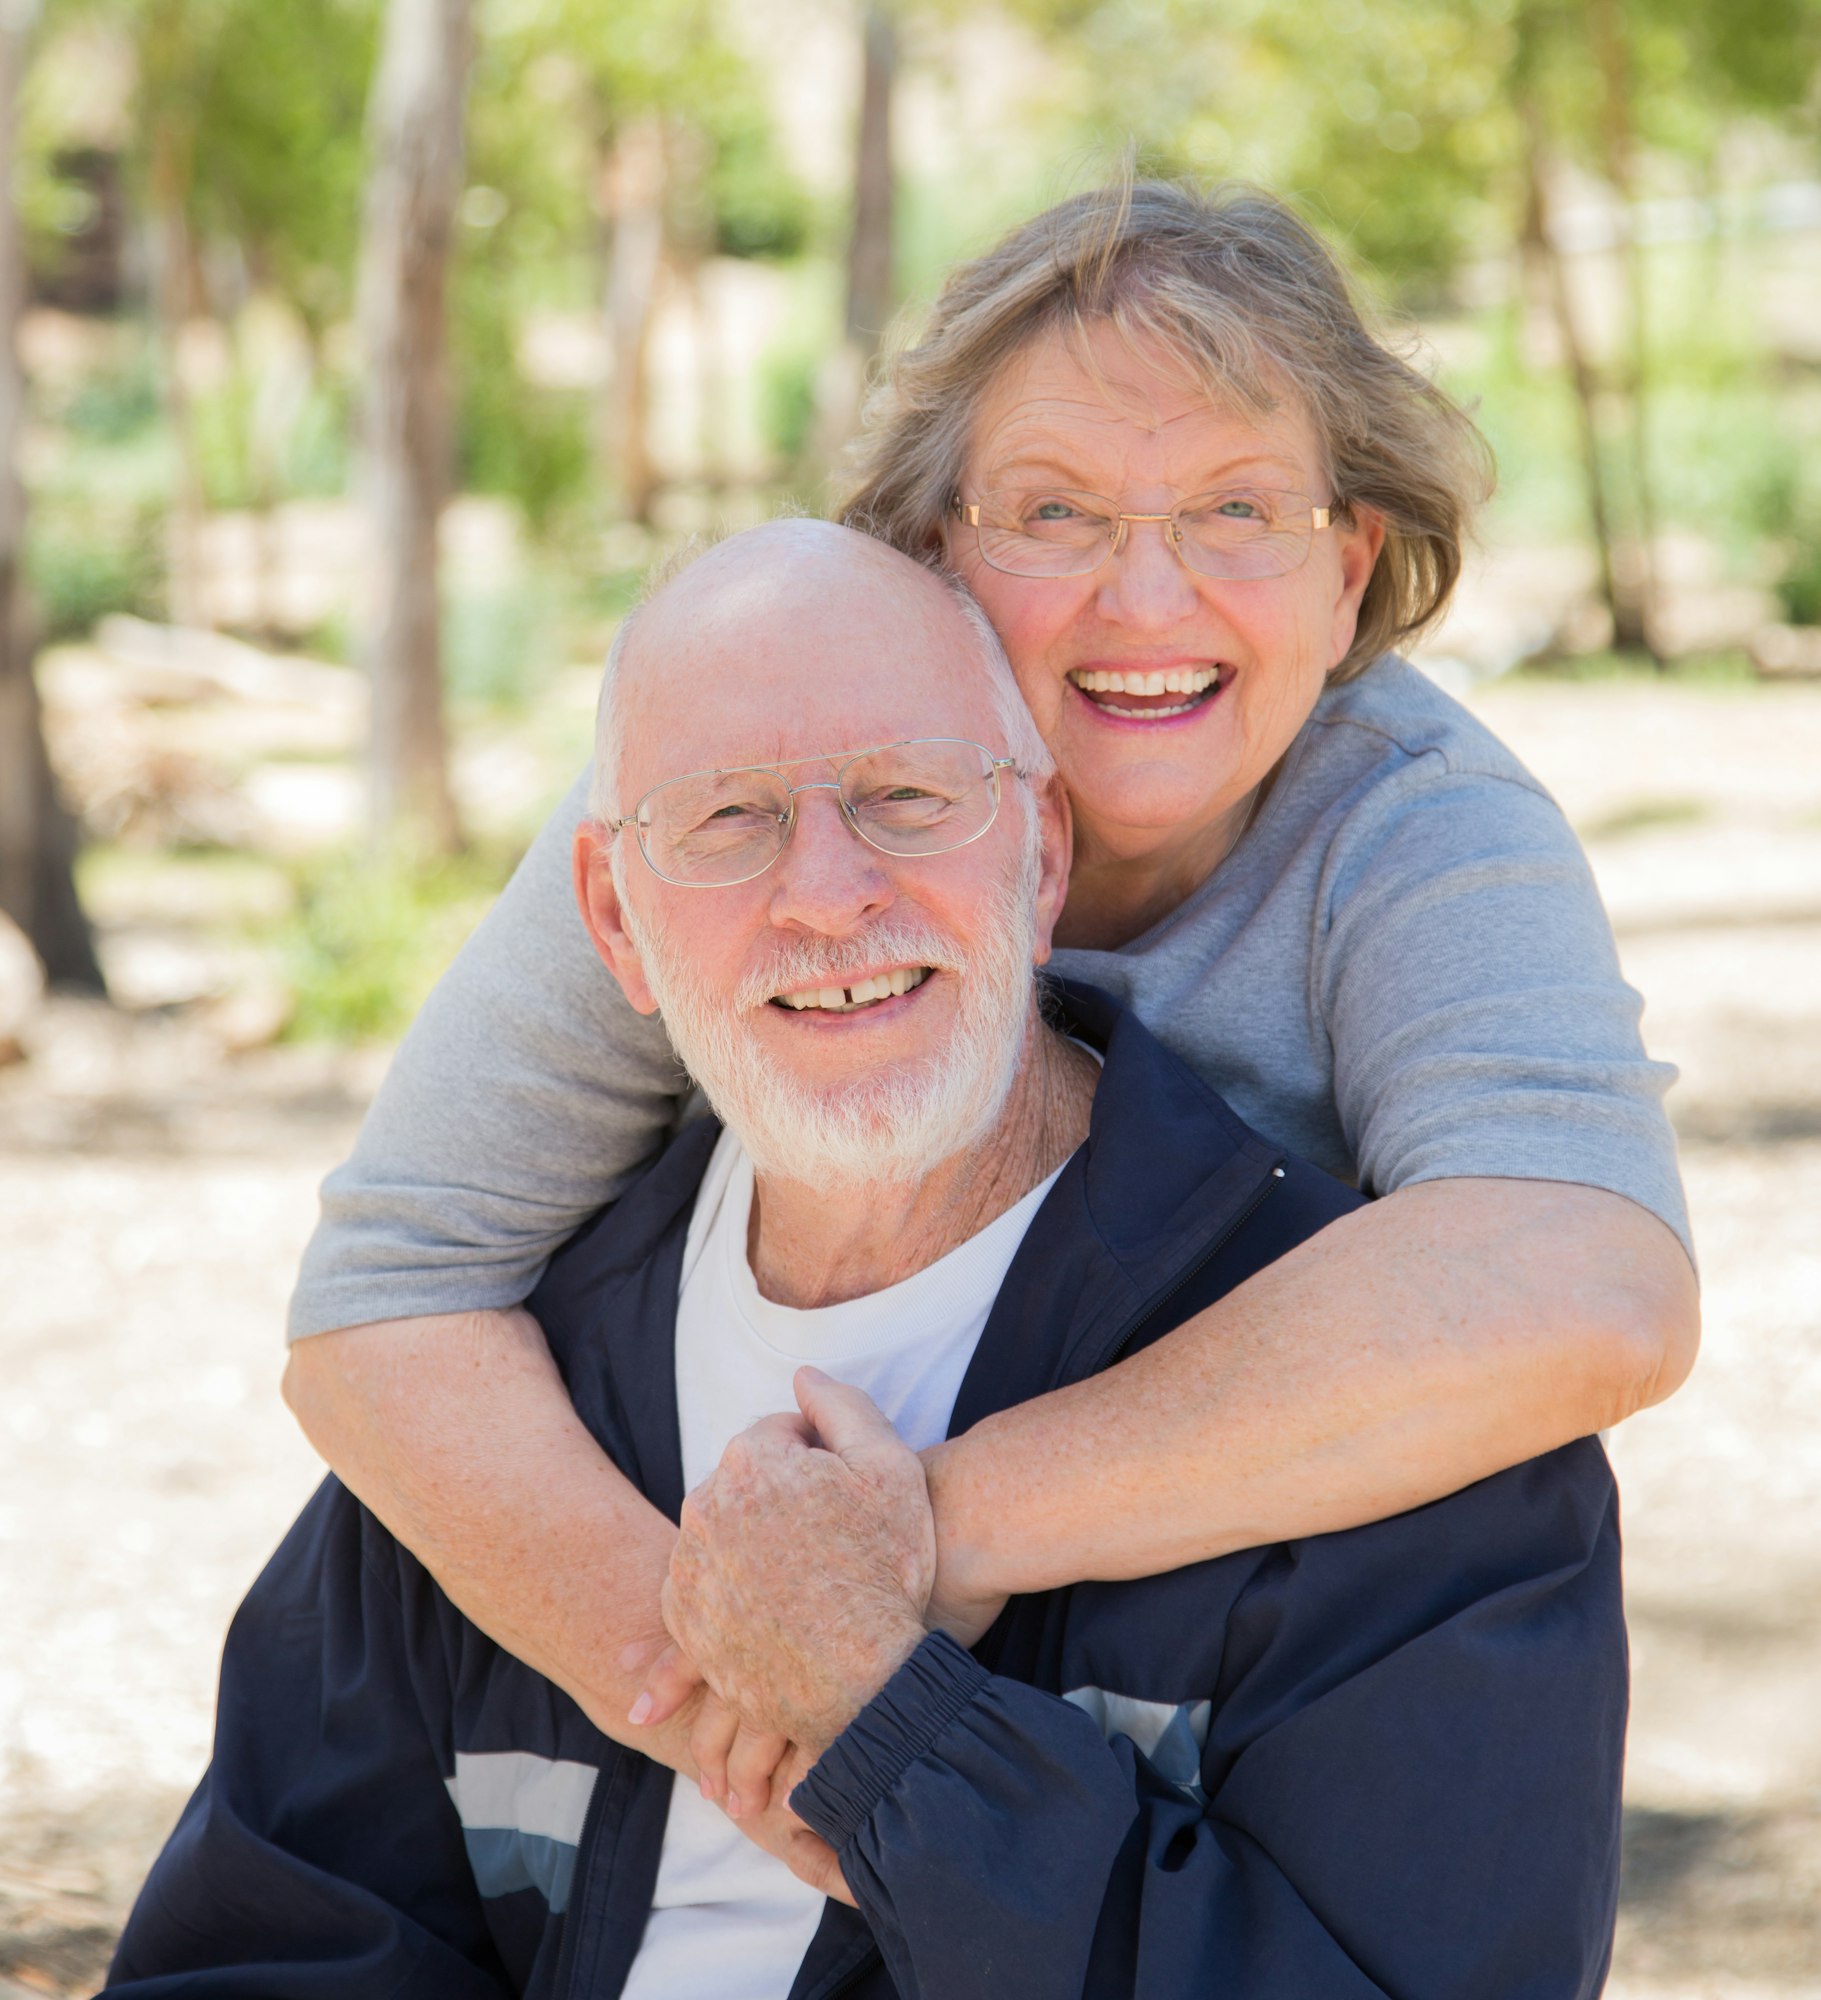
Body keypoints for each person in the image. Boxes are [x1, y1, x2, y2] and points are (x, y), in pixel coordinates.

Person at [282, 178, 1695, 1812]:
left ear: (1347, 564)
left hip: (1222, 1695)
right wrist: (722, 1709)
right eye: (1053, 512)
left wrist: (916, 1536)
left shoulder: (1415, 824)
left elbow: (1590, 1279)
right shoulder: (721, 807)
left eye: (1238, 510)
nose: (1146, 601)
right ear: (929, 549)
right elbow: (385, 1295)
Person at [106, 525, 1627, 2000]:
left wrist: (894, 1735)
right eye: (724, 818)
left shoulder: (1392, 1426)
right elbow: (265, 1947)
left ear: (1039, 859)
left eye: (906, 797)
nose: (826, 893)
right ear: (611, 923)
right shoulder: (508, 1414)